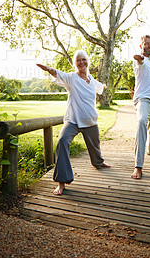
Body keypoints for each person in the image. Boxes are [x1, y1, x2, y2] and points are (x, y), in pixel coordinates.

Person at [36, 50, 110, 195]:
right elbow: (59, 73)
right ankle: (61, 182)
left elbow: (100, 87)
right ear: (75, 64)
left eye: (84, 59)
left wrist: (104, 86)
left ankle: (98, 163)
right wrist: (48, 69)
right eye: (78, 61)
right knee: (62, 142)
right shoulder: (71, 78)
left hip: (90, 120)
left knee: (95, 146)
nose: (81, 62)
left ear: (88, 61)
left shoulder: (91, 79)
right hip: (73, 120)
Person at [131, 35, 150, 180]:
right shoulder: (140, 61)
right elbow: (140, 61)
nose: (149, 45)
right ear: (141, 46)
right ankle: (138, 166)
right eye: (146, 43)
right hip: (143, 100)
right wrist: (139, 58)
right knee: (142, 121)